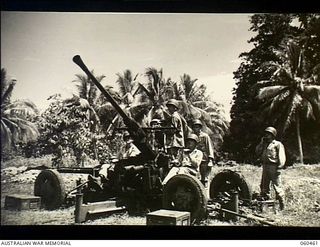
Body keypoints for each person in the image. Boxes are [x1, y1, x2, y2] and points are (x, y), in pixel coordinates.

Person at [255, 126, 286, 210]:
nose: (266, 135)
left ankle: (282, 206)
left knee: (277, 187)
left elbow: (281, 156)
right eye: (266, 134)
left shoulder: (277, 144)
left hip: (274, 167)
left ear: (273, 135)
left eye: (268, 134)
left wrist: (280, 167)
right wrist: (261, 143)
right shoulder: (264, 144)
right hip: (265, 166)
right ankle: (267, 207)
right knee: (264, 186)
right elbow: (257, 152)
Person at [192, 119, 214, 187]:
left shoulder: (205, 136)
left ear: (200, 127)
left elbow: (209, 147)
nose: (196, 129)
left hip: (204, 160)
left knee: (205, 179)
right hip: (195, 159)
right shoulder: (192, 136)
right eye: (194, 127)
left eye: (197, 127)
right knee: (195, 179)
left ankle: (206, 194)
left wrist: (210, 160)